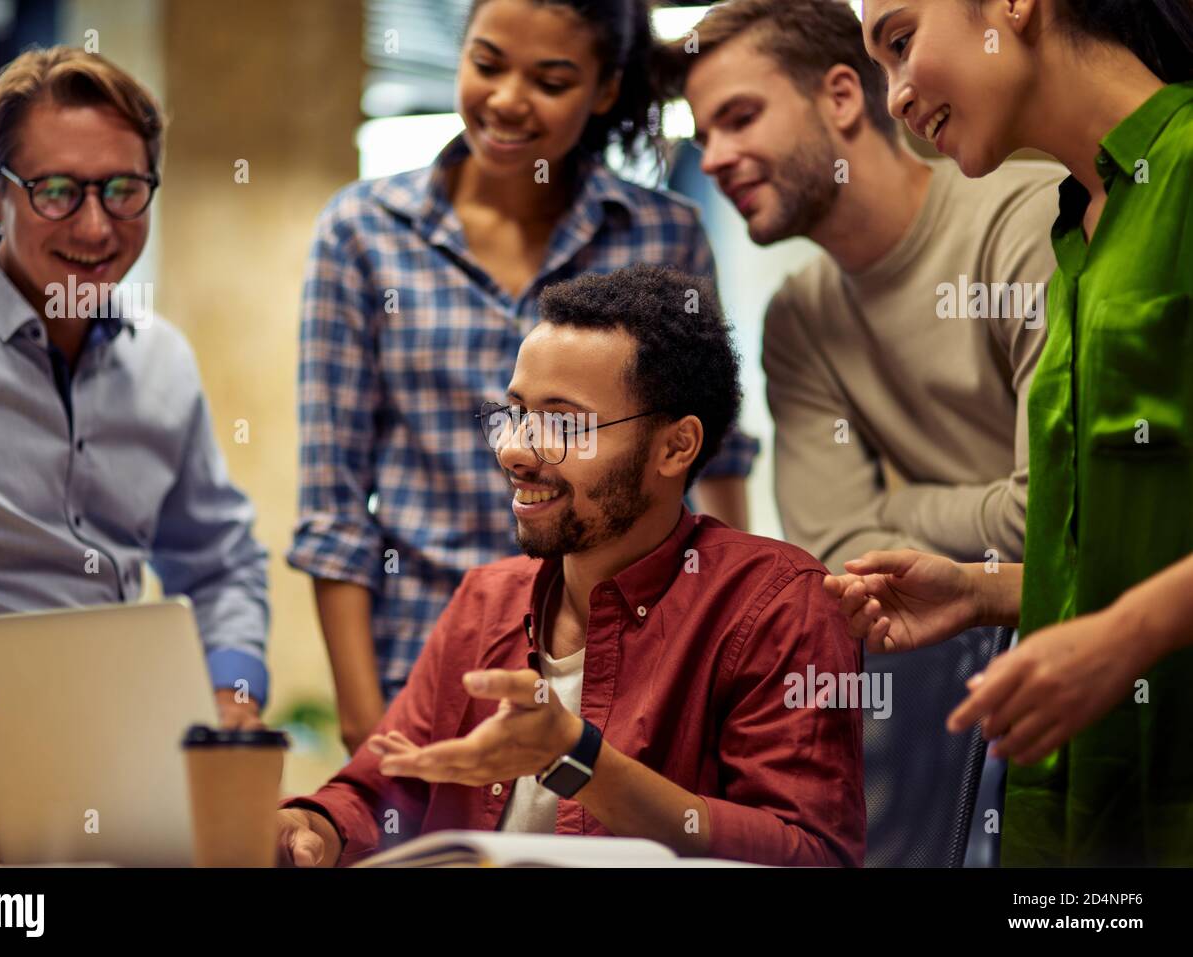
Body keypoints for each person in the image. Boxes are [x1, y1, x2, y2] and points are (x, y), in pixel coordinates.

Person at [290, 0, 759, 754]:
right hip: (424, 664)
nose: (507, 99)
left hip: (624, 671)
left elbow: (714, 461)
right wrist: (365, 722)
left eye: (550, 79)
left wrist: (730, 647)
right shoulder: (363, 232)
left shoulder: (661, 234)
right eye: (486, 64)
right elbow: (333, 504)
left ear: (605, 90)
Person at [277, 265, 864, 867]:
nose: (514, 450)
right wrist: (313, 825)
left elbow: (811, 853)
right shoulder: (487, 600)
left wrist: (580, 759)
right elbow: (381, 788)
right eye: (515, 413)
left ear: (675, 447)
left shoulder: (778, 604)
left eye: (561, 423)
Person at [829, 0, 1193, 866]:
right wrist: (988, 591)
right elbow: (1129, 547)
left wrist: (1129, 635)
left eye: (903, 42)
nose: (895, 96)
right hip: (1077, 822)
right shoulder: (1078, 226)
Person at [0, 48, 270, 861]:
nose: (96, 227)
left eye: (123, 190)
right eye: (57, 191)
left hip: (124, 767)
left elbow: (220, 559)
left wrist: (232, 684)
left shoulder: (163, 362)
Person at [663, 0, 1061, 575]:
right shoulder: (798, 319)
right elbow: (835, 553)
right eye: (705, 136)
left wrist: (904, 508)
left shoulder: (1027, 224)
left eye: (741, 117)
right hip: (959, 659)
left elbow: (1052, 514)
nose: (713, 160)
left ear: (842, 97)